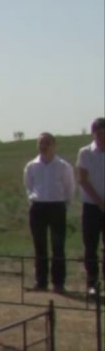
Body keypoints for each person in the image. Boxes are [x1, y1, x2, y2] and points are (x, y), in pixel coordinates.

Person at [23, 132, 76, 294]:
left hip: (57, 207)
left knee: (58, 246)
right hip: (38, 207)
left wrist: (64, 204)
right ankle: (41, 281)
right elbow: (28, 186)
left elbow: (70, 187)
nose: (43, 146)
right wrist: (33, 201)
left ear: (54, 145)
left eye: (46, 143)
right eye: (40, 143)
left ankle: (59, 283)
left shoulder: (63, 166)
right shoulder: (32, 166)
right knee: (40, 246)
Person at [76, 117, 105, 299]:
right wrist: (100, 202)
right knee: (91, 246)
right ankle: (92, 283)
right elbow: (83, 180)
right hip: (91, 206)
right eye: (99, 134)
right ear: (93, 133)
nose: (102, 137)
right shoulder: (85, 153)